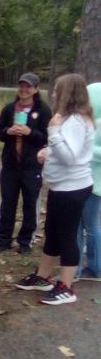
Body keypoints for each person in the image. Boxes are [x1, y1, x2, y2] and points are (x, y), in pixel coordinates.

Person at [16, 73, 94, 305]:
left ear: (67, 93)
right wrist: (47, 153)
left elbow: (70, 157)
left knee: (67, 237)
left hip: (72, 188)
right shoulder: (69, 120)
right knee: (51, 231)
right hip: (61, 186)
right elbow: (69, 151)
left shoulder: (75, 122)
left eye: (57, 90)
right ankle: (43, 276)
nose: (53, 94)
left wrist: (52, 132)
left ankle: (67, 287)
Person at [0, 72, 52, 253]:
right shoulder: (10, 108)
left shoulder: (42, 110)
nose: (24, 90)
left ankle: (25, 242)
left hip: (31, 166)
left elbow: (47, 137)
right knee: (8, 203)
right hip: (11, 165)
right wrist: (8, 131)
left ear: (35, 89)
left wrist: (30, 132)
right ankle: (4, 241)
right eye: (21, 86)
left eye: (28, 86)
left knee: (30, 203)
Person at [76, 82, 101, 281]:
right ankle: (76, 267)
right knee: (80, 225)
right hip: (82, 180)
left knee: (90, 226)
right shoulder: (88, 124)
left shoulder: (97, 126)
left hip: (93, 183)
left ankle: (95, 267)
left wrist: (84, 151)